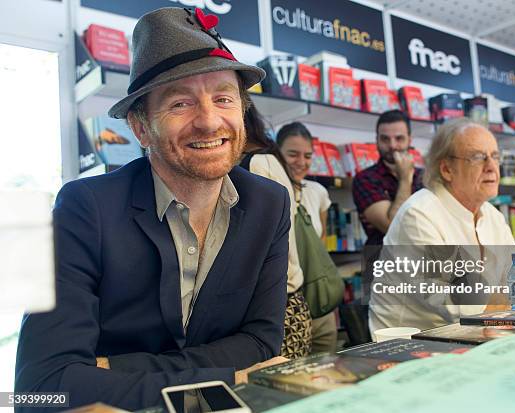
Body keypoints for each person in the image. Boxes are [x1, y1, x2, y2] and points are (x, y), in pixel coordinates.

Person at [16, 8, 288, 410]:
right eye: (180, 104)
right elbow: (40, 388)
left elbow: (261, 342)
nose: (210, 121)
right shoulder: (83, 208)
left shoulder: (270, 202)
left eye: (224, 98)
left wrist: (112, 369)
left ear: (242, 111)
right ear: (141, 127)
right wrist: (223, 379)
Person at [369, 118, 515, 332]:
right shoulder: (419, 214)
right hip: (413, 340)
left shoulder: (491, 214)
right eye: (477, 157)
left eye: (495, 156)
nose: (491, 166)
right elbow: (453, 301)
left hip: (474, 329)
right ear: (447, 169)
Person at [241, 107, 312, 359]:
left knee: (277, 393)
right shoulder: (267, 160)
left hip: (278, 306)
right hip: (282, 303)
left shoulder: (259, 163)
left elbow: (258, 241)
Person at [277, 121, 338, 353]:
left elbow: (320, 245)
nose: (301, 162)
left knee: (328, 369)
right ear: (277, 153)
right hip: (288, 303)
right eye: (292, 154)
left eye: (308, 156)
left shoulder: (318, 192)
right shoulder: (270, 190)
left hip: (319, 302)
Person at [352, 110, 422, 246]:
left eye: (399, 138)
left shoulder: (425, 177)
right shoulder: (365, 179)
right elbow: (393, 227)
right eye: (385, 139)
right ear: (376, 140)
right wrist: (405, 180)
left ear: (410, 140)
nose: (392, 146)